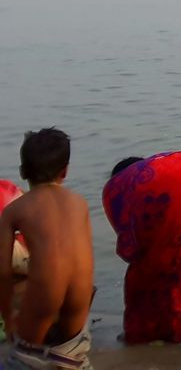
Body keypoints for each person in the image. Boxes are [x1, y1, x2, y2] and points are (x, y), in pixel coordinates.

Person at [102, 152, 181, 343]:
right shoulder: (168, 192)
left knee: (147, 276)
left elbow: (128, 249)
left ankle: (149, 334)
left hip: (157, 271)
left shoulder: (139, 201)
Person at [0, 129, 94, 370]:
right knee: (69, 354)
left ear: (22, 172)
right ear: (65, 171)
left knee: (25, 355)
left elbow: (3, 272)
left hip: (43, 298)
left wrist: (9, 321)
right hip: (81, 301)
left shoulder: (14, 211)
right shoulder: (79, 204)